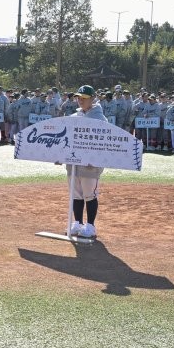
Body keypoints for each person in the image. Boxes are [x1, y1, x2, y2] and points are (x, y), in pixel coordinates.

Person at [65, 85, 106, 239]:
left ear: (92, 98)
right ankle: (77, 223)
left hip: (90, 165)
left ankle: (90, 225)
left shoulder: (100, 118)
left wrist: (95, 159)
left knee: (89, 194)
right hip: (74, 163)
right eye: (78, 97)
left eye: (84, 98)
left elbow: (103, 143)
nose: (80, 100)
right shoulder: (74, 117)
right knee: (75, 194)